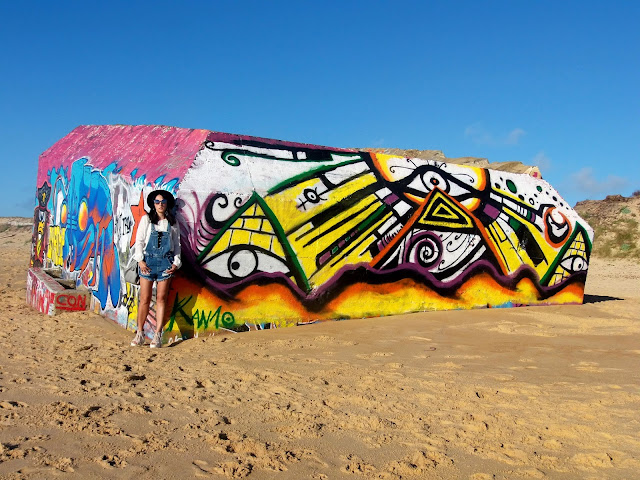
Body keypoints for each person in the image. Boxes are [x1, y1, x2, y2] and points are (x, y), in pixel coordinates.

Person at [130, 190, 181, 348]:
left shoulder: (172, 223)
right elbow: (139, 241)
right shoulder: (146, 220)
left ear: (167, 204)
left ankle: (158, 335)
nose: (160, 204)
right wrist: (140, 260)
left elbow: (177, 245)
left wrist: (176, 263)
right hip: (148, 263)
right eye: (157, 201)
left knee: (161, 299)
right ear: (153, 204)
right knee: (144, 299)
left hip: (165, 264)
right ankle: (139, 333)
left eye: (163, 201)